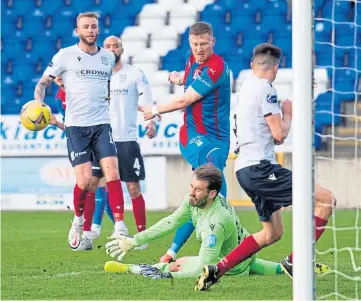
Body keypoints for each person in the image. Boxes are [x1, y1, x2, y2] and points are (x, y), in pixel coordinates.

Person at [195, 43, 336, 290]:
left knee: (272, 234)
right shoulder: (266, 89)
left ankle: (217, 270)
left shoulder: (245, 87)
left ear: (252, 65)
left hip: (245, 169)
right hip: (261, 168)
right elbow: (279, 134)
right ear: (276, 68)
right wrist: (288, 113)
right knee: (326, 201)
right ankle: (295, 262)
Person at [34, 12, 127, 251]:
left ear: (98, 30)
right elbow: (43, 82)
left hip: (101, 124)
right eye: (85, 27)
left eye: (94, 27)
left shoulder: (107, 57)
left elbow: (106, 86)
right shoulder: (65, 55)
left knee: (113, 173)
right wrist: (38, 102)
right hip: (76, 128)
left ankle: (120, 226)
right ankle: (77, 221)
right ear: (78, 31)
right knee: (84, 182)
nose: (90, 30)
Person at [142, 21, 231, 263]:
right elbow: (191, 79)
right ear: (190, 43)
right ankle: (204, 243)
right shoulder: (193, 60)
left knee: (210, 193)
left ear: (213, 42)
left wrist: (155, 109)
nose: (199, 49)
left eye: (204, 44)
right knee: (209, 186)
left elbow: (185, 100)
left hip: (219, 139)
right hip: (194, 135)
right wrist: (180, 78)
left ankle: (176, 251)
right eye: (195, 44)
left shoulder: (216, 67)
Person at [103, 164, 285, 279]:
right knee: (261, 266)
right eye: (191, 186)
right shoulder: (196, 199)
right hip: (248, 257)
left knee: (177, 264)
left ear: (212, 193)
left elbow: (204, 269)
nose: (191, 192)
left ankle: (129, 268)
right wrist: (134, 241)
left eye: (198, 189)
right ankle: (290, 268)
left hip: (233, 266)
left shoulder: (216, 223)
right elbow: (171, 222)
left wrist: (168, 275)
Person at [89, 36, 157, 244]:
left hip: (126, 139)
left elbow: (146, 98)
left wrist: (150, 122)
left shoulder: (134, 74)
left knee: (133, 188)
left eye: (115, 46)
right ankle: (95, 228)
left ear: (122, 49)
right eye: (107, 46)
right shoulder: (97, 76)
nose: (111, 49)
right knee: (97, 184)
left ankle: (142, 236)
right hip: (101, 138)